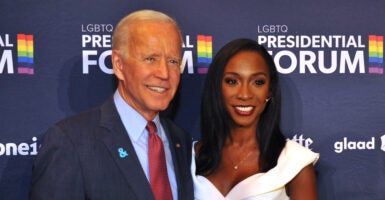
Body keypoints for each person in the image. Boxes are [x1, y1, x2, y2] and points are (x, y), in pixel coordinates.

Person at [30, 10, 193, 200]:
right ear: (118, 65)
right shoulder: (71, 142)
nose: (164, 73)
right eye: (150, 59)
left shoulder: (181, 140)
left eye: (173, 61)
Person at [191, 38, 319, 200]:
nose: (244, 94)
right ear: (217, 87)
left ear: (270, 91)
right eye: (232, 81)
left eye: (258, 82)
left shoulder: (295, 162)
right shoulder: (188, 157)